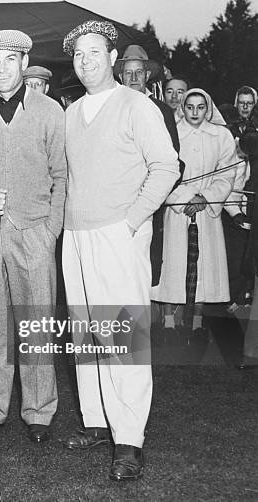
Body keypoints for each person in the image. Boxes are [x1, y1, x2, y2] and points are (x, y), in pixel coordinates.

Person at [61, 20, 179, 481]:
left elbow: (166, 166)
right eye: (78, 55)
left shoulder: (137, 105)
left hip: (119, 234)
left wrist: (133, 220)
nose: (86, 60)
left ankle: (128, 438)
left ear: (112, 58)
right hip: (77, 235)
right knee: (85, 332)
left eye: (94, 52)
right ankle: (96, 422)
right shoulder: (71, 112)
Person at [0, 29, 66, 443]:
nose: (2, 68)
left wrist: (51, 232)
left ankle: (39, 412)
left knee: (36, 325)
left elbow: (61, 175)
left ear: (24, 63)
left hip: (34, 231)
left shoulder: (48, 110)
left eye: (10, 59)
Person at [153, 89, 238, 331]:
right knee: (173, 263)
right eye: (190, 106)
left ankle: (198, 322)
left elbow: (227, 173)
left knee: (205, 264)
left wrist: (206, 198)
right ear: (183, 107)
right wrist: (186, 197)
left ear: (208, 108)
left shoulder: (220, 135)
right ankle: (168, 321)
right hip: (178, 209)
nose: (195, 112)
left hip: (207, 212)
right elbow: (165, 169)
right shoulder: (172, 133)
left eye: (200, 107)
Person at [114, 45, 183, 291]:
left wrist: (152, 194)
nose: (133, 78)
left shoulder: (161, 111)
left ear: (147, 76)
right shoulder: (109, 108)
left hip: (146, 205)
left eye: (139, 72)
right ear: (120, 76)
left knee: (141, 271)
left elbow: (174, 162)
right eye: (128, 72)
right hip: (112, 205)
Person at [222, 86, 257, 312]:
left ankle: (249, 293)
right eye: (241, 103)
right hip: (234, 197)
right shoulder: (227, 131)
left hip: (253, 194)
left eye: (249, 103)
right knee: (235, 250)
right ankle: (234, 294)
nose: (245, 107)